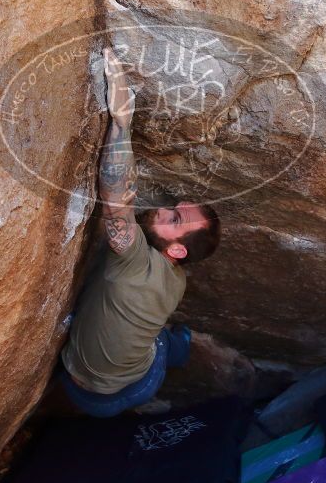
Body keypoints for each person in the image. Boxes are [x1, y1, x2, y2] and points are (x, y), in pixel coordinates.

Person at [58, 47, 221, 417]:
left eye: (174, 220)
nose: (163, 210)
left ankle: (178, 344)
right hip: (139, 382)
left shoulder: (134, 262)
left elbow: (117, 202)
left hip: (92, 396)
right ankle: (179, 345)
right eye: (175, 209)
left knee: (159, 338)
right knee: (159, 336)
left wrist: (122, 122)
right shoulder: (176, 278)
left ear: (177, 249)